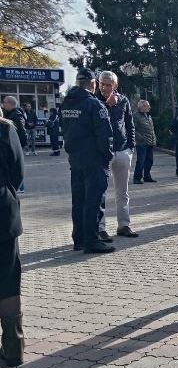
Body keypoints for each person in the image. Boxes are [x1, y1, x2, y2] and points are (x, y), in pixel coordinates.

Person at [60, 68, 114, 254]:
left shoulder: (67, 103)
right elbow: (105, 135)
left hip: (75, 159)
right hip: (94, 160)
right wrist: (108, 156)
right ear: (93, 84)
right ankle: (92, 241)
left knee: (79, 200)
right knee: (94, 201)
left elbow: (64, 129)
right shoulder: (94, 104)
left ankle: (79, 239)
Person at [96, 71, 138, 240]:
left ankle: (124, 225)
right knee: (100, 192)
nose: (105, 87)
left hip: (122, 150)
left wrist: (131, 147)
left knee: (123, 192)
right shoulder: (94, 101)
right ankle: (100, 228)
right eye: (102, 84)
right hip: (103, 152)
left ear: (115, 85)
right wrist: (107, 105)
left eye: (109, 84)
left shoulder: (123, 100)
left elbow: (129, 123)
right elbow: (96, 123)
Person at [0, 108, 25, 367]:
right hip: (2, 210)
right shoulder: (5, 129)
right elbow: (18, 173)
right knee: (7, 278)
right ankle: (13, 347)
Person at [132, 100, 157, 184]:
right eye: (147, 106)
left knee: (149, 161)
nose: (149, 107)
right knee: (141, 161)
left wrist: (154, 139)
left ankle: (147, 176)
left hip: (150, 142)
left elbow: (152, 129)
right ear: (141, 107)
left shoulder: (148, 116)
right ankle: (137, 178)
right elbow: (133, 129)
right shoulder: (135, 116)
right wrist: (141, 138)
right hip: (141, 143)